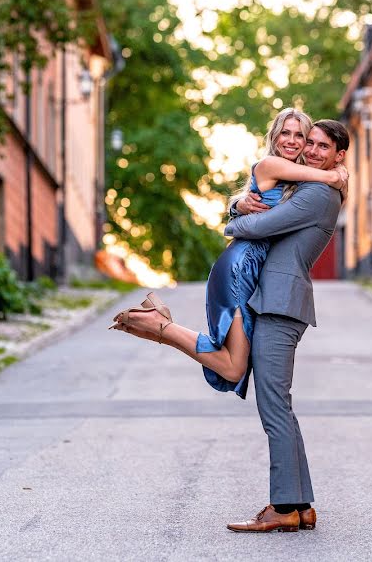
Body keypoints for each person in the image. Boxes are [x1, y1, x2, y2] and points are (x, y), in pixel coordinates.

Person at [109, 109, 347, 401]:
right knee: (234, 368)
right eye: (285, 132)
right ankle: (162, 327)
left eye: (301, 135)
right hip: (240, 266)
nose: (293, 141)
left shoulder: (295, 181)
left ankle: (160, 325)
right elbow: (324, 176)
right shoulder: (272, 164)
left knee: (235, 365)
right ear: (274, 135)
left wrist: (238, 205)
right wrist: (338, 173)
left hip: (252, 268)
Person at [223, 119, 349, 533]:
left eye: (321, 146)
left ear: (339, 156)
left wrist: (230, 224)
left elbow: (260, 227)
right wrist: (237, 206)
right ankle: (299, 504)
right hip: (277, 301)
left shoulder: (317, 194)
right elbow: (259, 200)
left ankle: (282, 509)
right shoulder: (311, 187)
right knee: (280, 405)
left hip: (280, 303)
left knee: (274, 406)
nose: (311, 150)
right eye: (308, 142)